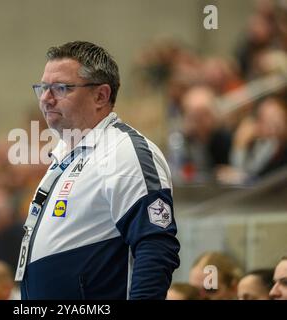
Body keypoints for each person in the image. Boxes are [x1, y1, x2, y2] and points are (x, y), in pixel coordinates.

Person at [15, 41, 180, 300]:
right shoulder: (63, 155)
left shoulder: (123, 152)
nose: (46, 99)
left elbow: (156, 247)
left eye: (60, 88)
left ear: (101, 96)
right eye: (43, 88)